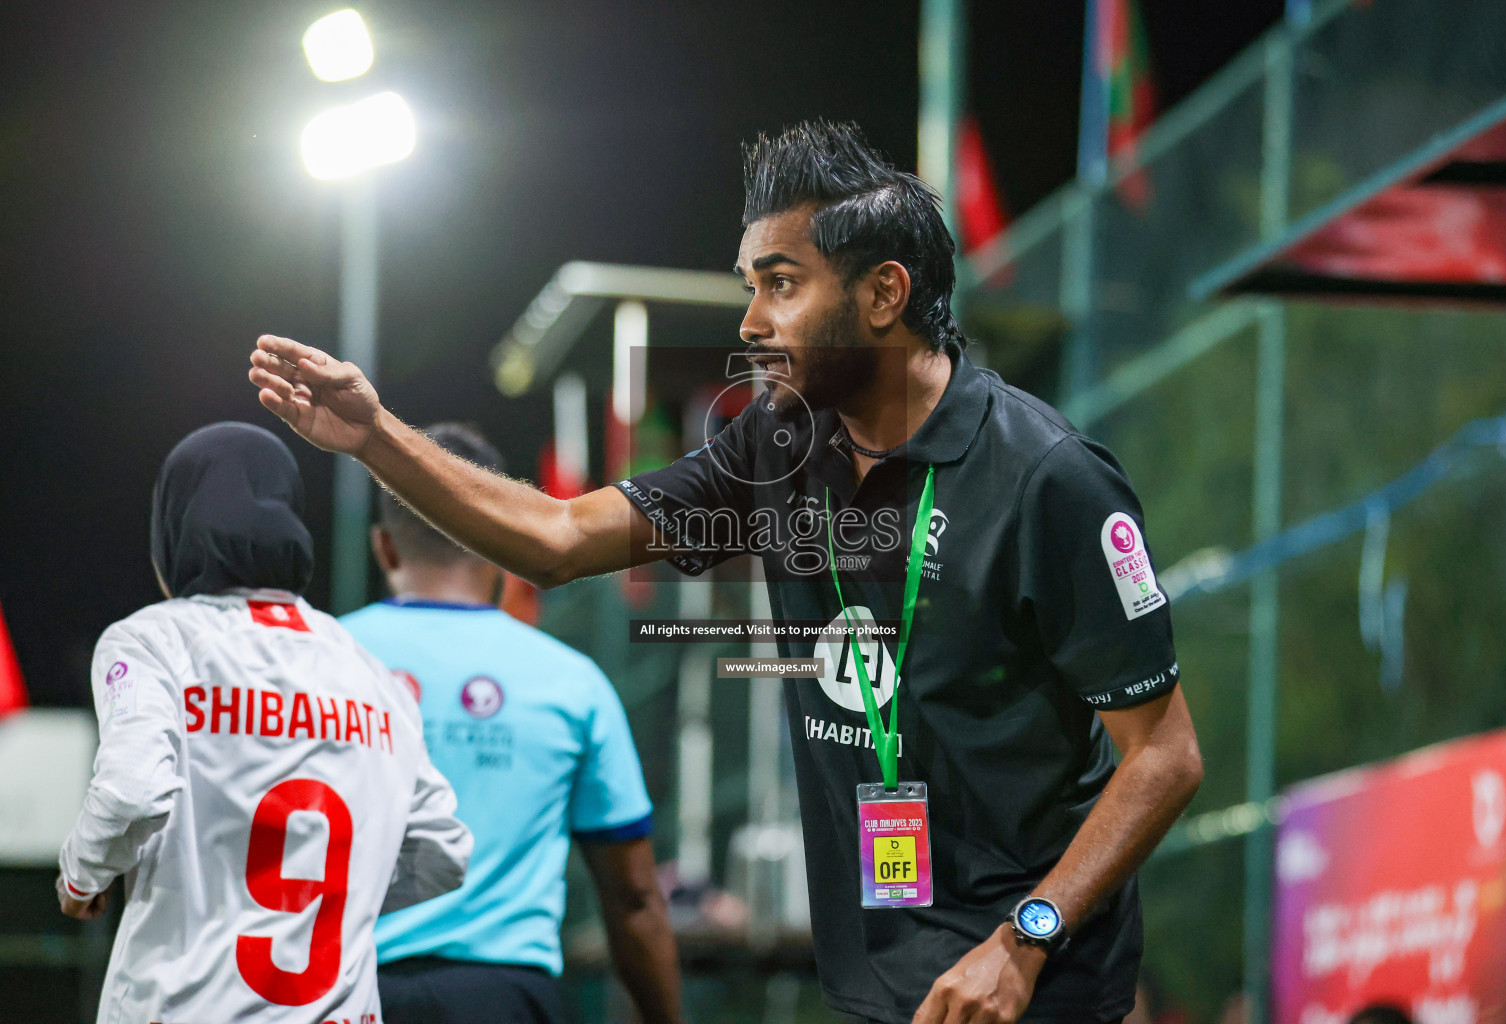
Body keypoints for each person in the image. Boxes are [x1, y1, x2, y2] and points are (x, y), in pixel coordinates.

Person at [248, 119, 1204, 1024]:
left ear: (883, 295)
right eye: (750, 284)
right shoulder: (776, 442)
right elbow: (559, 536)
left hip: (1034, 988)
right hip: (879, 972)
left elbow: (1164, 757)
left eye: (781, 284)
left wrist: (1025, 939)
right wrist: (374, 437)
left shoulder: (1048, 479)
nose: (751, 321)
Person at [57, 421, 472, 1023]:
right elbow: (444, 850)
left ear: (173, 531)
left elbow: (132, 791)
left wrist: (79, 874)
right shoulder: (369, 669)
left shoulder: (154, 639)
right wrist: (324, 897)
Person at [339, 422, 683, 1024]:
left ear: (384, 547)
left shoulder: (320, 660)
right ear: (498, 538)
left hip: (339, 990)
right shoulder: (572, 683)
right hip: (503, 1000)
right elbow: (633, 899)